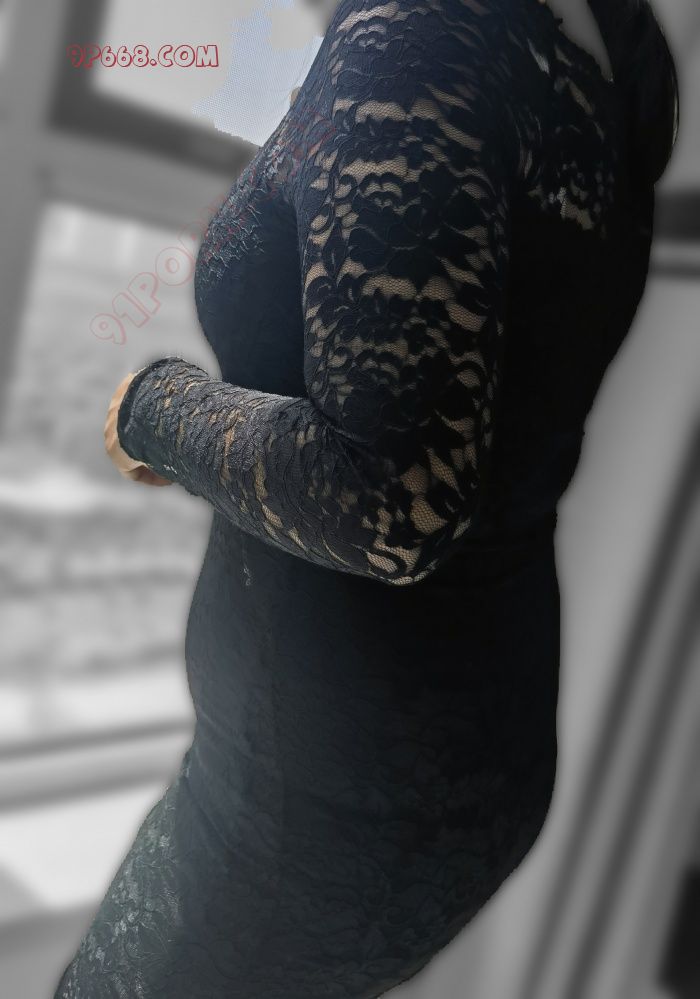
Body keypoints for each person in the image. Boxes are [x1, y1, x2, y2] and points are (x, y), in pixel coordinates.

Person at [57, 0, 679, 996]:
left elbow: (389, 502)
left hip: (314, 816)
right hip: (459, 763)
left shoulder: (418, 37)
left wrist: (151, 407)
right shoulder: (603, 59)